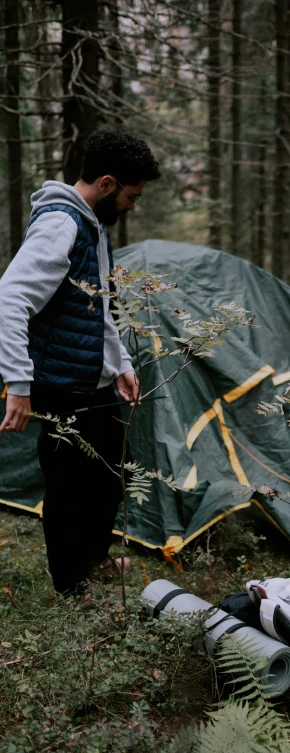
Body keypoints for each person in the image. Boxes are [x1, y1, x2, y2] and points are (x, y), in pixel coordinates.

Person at [0, 129, 161, 595]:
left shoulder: (91, 224)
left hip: (90, 380)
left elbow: (98, 310)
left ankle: (93, 560)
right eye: (132, 195)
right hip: (58, 381)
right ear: (107, 183)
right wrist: (18, 383)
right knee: (70, 489)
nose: (134, 205)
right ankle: (72, 588)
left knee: (111, 471)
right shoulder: (61, 224)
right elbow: (10, 299)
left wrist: (121, 365)